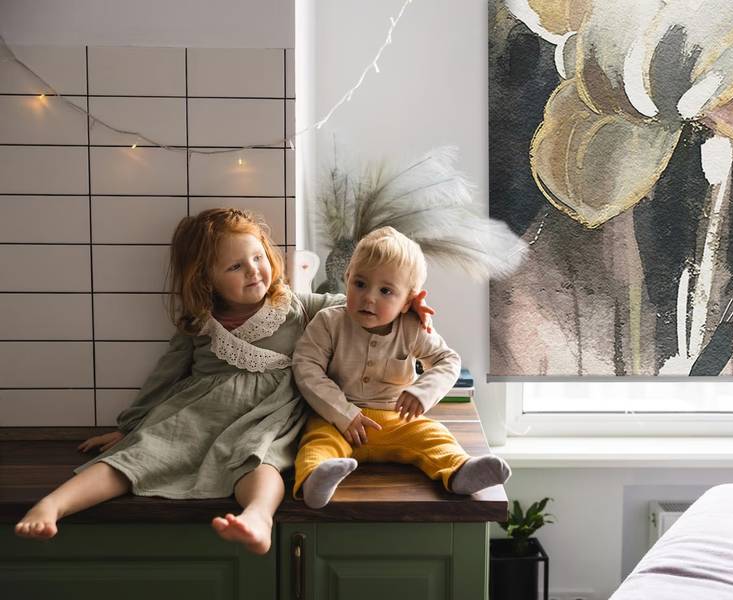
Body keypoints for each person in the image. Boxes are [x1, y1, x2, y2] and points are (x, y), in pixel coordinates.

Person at [13, 209, 432, 554]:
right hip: (201, 411)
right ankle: (55, 504)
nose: (254, 271)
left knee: (260, 461)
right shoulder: (199, 322)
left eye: (258, 257)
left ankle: (257, 519)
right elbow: (164, 376)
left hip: (269, 415)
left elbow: (358, 304)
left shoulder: (297, 305)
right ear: (206, 278)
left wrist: (407, 305)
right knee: (142, 453)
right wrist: (129, 427)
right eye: (235, 266)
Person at [292, 226, 510, 508]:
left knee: (433, 436)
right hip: (338, 421)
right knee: (317, 442)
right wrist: (342, 412)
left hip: (396, 419)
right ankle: (315, 480)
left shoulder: (412, 328)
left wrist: (422, 392)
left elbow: (447, 360)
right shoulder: (328, 322)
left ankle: (460, 471)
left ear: (408, 301)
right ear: (347, 278)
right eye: (360, 284)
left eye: (386, 291)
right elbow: (306, 366)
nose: (369, 297)